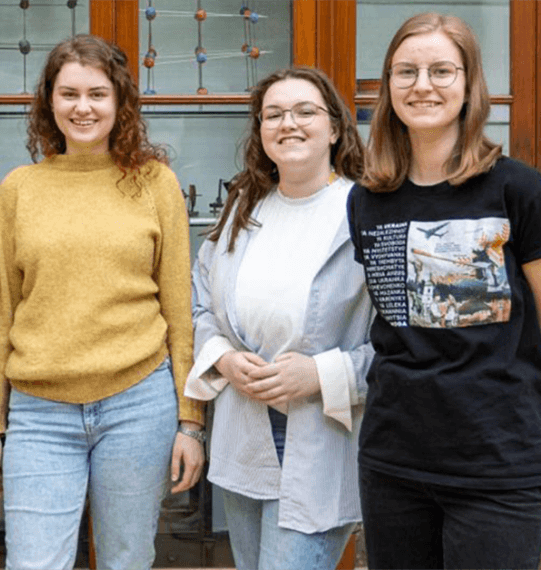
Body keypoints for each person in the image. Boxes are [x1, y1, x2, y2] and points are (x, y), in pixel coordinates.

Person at [0, 34, 206, 569]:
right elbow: (2, 310)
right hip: (39, 409)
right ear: (49, 102)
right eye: (69, 93)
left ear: (120, 101)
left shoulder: (154, 184)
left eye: (97, 94)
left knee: (126, 559)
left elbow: (178, 312)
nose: (83, 107)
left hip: (138, 404)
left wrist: (190, 422)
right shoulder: (19, 188)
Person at [348, 12, 541, 569]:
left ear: (468, 84)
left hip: (499, 465)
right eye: (405, 72)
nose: (422, 85)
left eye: (441, 70)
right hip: (393, 462)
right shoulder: (367, 200)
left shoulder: (519, 189)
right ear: (388, 86)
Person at [185, 66, 373, 569]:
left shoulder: (367, 213)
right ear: (261, 131)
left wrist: (320, 373)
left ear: (334, 128)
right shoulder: (243, 211)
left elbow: (402, 340)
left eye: (305, 111)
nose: (288, 123)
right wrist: (223, 359)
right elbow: (201, 303)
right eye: (274, 114)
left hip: (322, 432)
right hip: (245, 432)